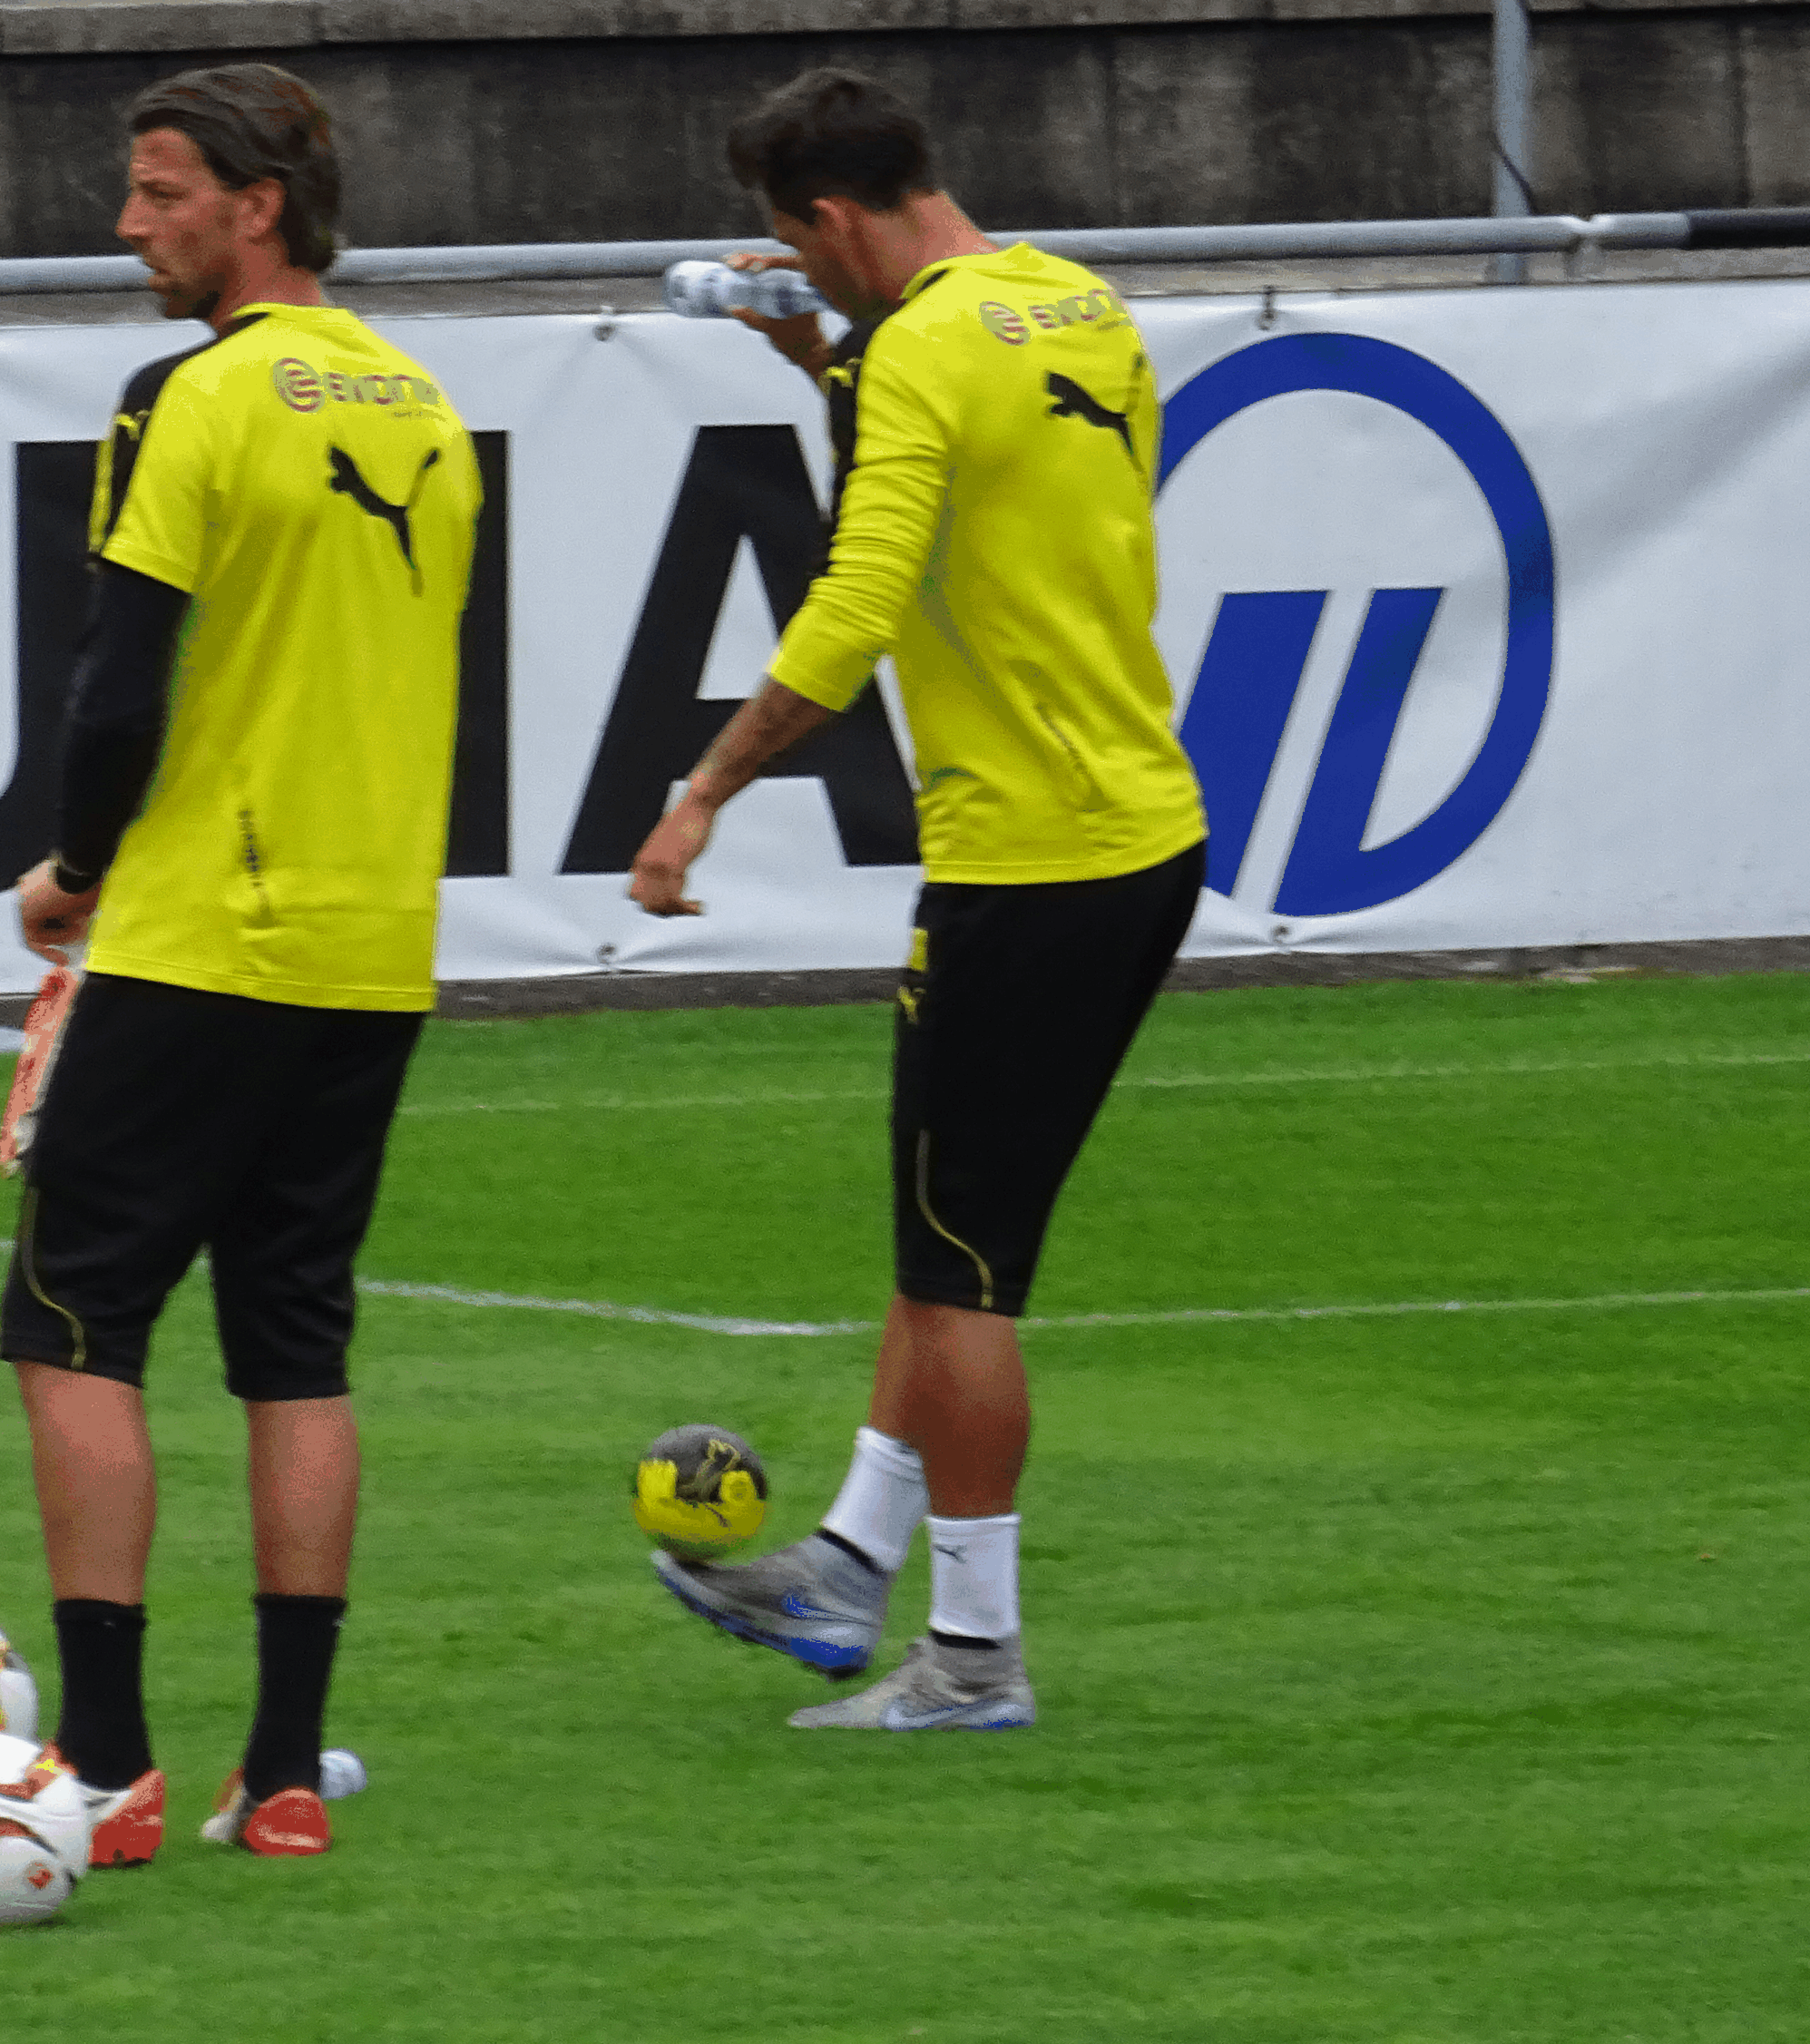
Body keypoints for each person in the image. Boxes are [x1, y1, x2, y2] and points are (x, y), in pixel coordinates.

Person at [629, 69, 1207, 1731]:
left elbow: (855, 607)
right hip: (1139, 831)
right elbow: (1005, 509)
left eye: (795, 250)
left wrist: (702, 795)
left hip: (1026, 861)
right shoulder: (1074, 304)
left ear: (827, 220)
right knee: (949, 1233)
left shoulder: (919, 351)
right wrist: (836, 373)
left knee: (962, 1278)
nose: (801, 275)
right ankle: (846, 1567)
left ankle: (972, 1658)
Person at [2, 64, 480, 1861]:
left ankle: (107, 1758)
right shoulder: (423, 399)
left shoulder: (186, 398)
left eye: (158, 193)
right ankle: (282, 1773)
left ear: (253, 204)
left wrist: (74, 866)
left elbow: (120, 680)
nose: (129, 226)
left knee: (69, 1320)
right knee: (292, 1344)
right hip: (372, 941)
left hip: (208, 924)